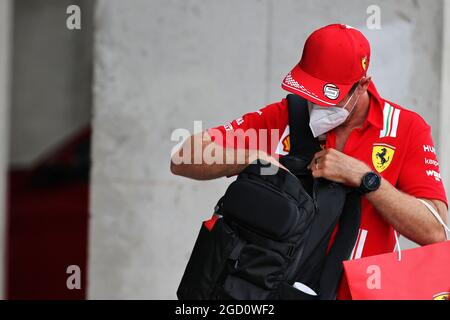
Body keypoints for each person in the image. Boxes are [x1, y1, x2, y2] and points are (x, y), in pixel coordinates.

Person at [170, 24, 448, 299]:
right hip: (269, 292)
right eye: (310, 94)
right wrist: (251, 158)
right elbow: (185, 156)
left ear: (362, 86)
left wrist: (365, 179)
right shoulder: (287, 116)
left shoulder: (406, 129)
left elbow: (435, 231)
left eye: (327, 98)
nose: (316, 106)